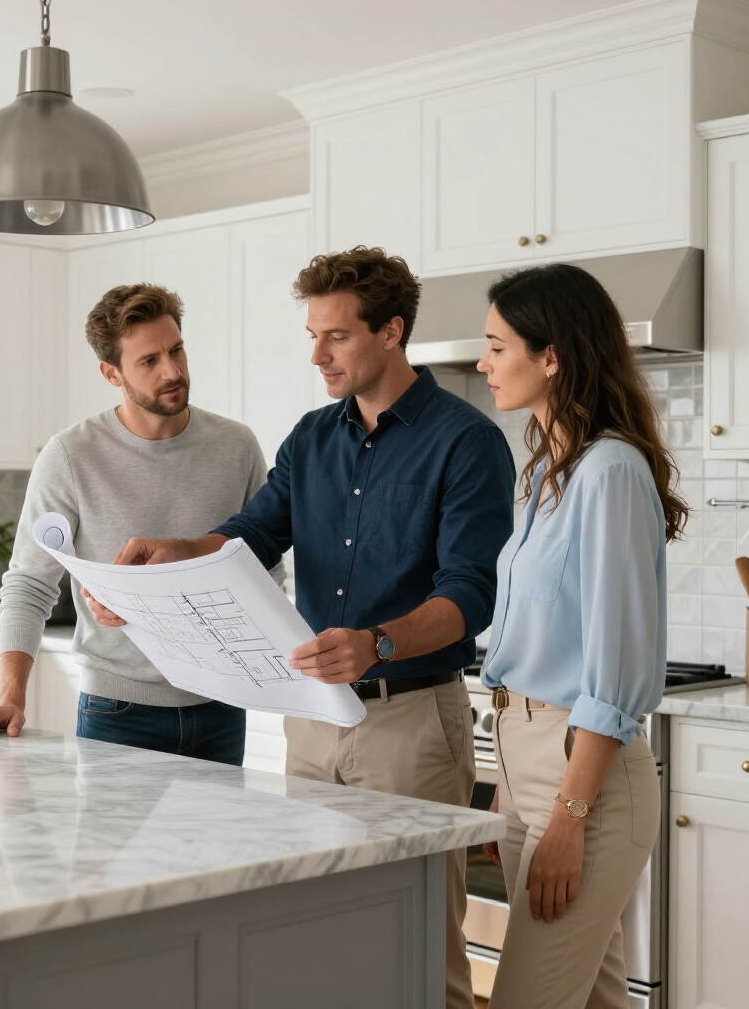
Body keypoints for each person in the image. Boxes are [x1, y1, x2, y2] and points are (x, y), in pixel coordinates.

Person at [87, 247, 517, 1009]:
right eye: (312, 334)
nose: (317, 354)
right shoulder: (312, 437)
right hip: (313, 722)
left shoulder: (465, 440)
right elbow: (252, 534)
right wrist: (175, 553)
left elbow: (469, 594)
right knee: (319, 928)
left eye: (337, 336)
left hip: (412, 722)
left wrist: (377, 642)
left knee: (423, 940)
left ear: (391, 332)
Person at [0, 282, 280, 766]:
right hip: (119, 712)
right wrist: (11, 696)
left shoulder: (236, 445)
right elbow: (29, 584)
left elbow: (263, 567)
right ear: (110, 372)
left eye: (177, 350)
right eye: (149, 361)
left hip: (222, 707)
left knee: (222, 844)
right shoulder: (71, 455)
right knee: (113, 846)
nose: (172, 371)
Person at [475, 264, 687, 1009]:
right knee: (591, 997)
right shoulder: (544, 474)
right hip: (525, 756)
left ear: (553, 355)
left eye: (498, 346)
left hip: (583, 779)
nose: (483, 362)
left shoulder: (609, 473)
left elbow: (618, 668)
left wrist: (569, 814)